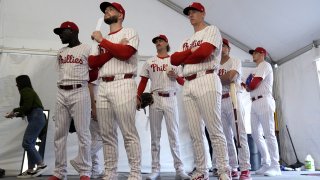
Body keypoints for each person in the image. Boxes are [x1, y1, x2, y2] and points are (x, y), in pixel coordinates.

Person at [171, 2, 231, 180]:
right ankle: (201, 170)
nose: (191, 15)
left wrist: (187, 56)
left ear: (203, 13)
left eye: (195, 12)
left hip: (207, 78)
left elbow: (204, 52)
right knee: (195, 132)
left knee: (214, 129)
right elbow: (174, 59)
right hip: (188, 83)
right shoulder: (187, 41)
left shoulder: (212, 30)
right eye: (189, 12)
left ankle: (223, 170)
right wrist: (191, 50)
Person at [89, 2, 141, 180]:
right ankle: (110, 173)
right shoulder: (100, 38)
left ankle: (135, 173)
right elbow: (93, 64)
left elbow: (126, 53)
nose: (106, 11)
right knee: (107, 133)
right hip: (103, 84)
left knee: (128, 132)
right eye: (105, 10)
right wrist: (110, 47)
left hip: (123, 82)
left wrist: (103, 42)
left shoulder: (129, 32)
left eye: (111, 9)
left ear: (121, 15)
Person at [137, 35, 190, 180]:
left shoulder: (175, 60)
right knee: (155, 137)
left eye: (160, 41)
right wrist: (138, 96)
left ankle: (179, 169)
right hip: (155, 99)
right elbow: (143, 81)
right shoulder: (149, 62)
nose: (158, 43)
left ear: (166, 43)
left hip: (171, 98)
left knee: (174, 136)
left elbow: (184, 82)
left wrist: (176, 77)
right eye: (156, 42)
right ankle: (155, 169)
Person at [50, 21, 93, 180]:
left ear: (73, 31)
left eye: (62, 32)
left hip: (80, 90)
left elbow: (94, 72)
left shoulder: (87, 48)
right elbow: (60, 72)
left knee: (83, 133)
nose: (60, 35)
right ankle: (59, 172)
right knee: (59, 134)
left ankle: (85, 171)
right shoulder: (61, 51)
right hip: (61, 91)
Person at [212, 38, 252, 180]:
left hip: (233, 98)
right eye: (219, 46)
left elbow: (231, 76)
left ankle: (245, 168)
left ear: (228, 48)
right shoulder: (214, 64)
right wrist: (220, 78)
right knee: (225, 137)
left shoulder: (235, 60)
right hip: (218, 100)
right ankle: (233, 167)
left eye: (224, 46)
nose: (221, 48)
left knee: (239, 135)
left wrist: (215, 78)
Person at [245, 47, 281, 177]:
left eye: (255, 53)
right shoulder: (253, 69)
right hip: (253, 102)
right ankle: (266, 163)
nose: (253, 55)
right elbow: (247, 87)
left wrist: (249, 85)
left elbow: (252, 85)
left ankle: (275, 165)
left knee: (269, 133)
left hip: (265, 100)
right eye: (253, 53)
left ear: (262, 54)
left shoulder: (265, 65)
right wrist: (249, 85)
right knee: (255, 134)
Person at [5, 75, 48, 178]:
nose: (16, 85)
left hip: (36, 117)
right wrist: (14, 114)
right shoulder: (29, 91)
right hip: (37, 117)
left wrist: (14, 110)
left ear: (21, 83)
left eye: (17, 82)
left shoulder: (25, 90)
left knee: (27, 143)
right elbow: (28, 109)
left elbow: (27, 106)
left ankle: (41, 165)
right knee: (30, 144)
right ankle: (30, 169)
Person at [70, 80, 104, 179]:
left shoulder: (92, 71)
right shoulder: (96, 70)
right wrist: (94, 108)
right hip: (96, 106)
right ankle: (80, 160)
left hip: (93, 106)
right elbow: (90, 86)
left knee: (95, 139)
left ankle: (95, 169)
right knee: (102, 138)